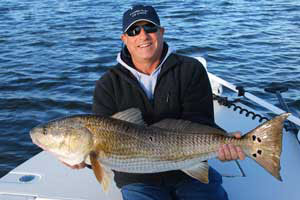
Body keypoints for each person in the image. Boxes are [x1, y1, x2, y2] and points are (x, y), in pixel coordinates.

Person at [71, 4, 245, 200]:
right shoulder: (108, 84)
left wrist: (223, 142)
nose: (143, 35)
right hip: (136, 179)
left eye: (150, 28)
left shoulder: (190, 69)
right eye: (134, 30)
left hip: (189, 169)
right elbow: (102, 142)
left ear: (161, 32)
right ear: (124, 39)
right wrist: (82, 159)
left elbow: (199, 123)